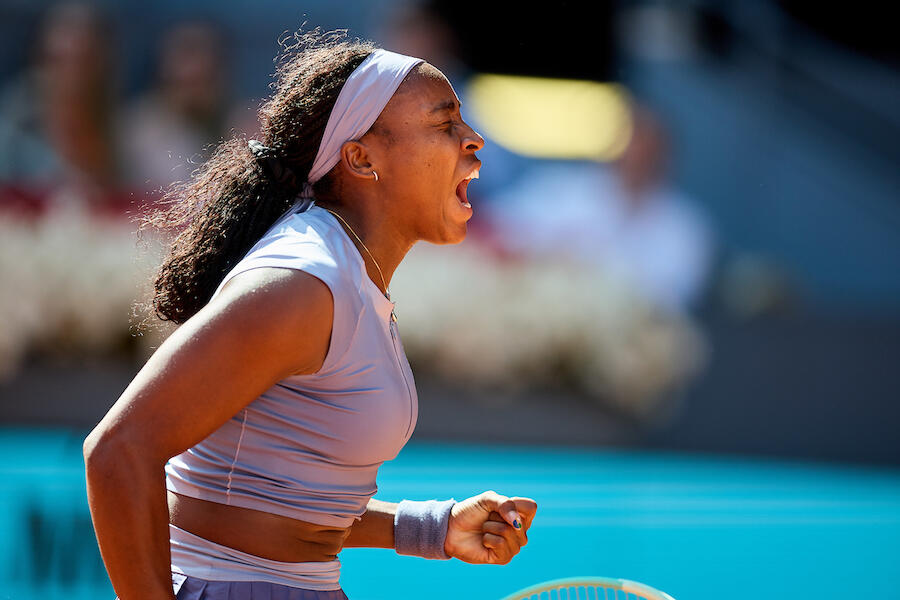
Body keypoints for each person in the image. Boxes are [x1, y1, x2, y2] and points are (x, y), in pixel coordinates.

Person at [83, 30, 537, 600]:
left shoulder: (344, 271)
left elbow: (280, 503)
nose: (473, 140)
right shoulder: (302, 284)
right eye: (445, 123)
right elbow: (117, 451)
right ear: (361, 157)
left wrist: (431, 529)